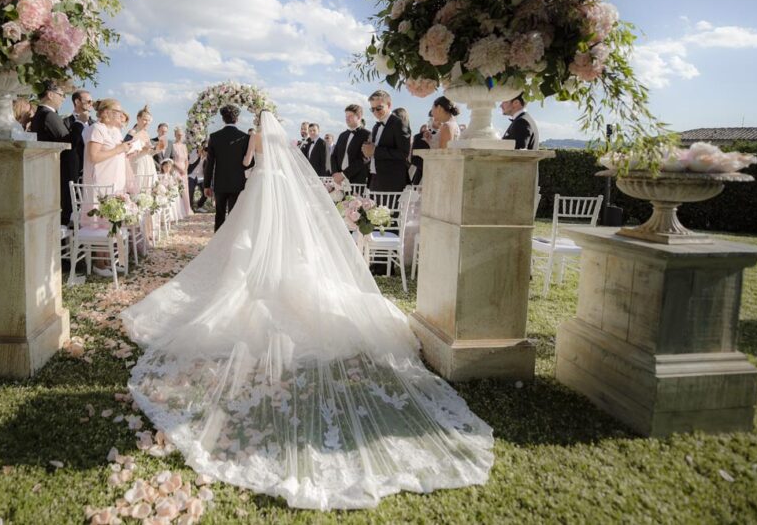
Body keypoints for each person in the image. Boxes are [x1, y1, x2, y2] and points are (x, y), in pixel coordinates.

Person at [121, 110, 493, 510]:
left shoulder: (255, 140)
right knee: (283, 244)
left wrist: (251, 161)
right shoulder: (284, 151)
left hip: (257, 189)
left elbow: (246, 164)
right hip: (277, 189)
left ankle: (258, 281)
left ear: (258, 124)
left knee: (247, 245)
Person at [84, 98, 142, 275]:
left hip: (115, 183)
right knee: (99, 222)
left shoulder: (115, 131)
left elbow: (117, 154)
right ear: (106, 113)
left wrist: (129, 151)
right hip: (100, 182)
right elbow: (94, 156)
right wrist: (119, 149)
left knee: (109, 222)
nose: (120, 114)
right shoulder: (97, 129)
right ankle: (99, 264)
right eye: (117, 111)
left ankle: (108, 260)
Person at [30, 80, 74, 226]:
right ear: (50, 95)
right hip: (57, 171)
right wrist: (78, 127)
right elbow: (66, 141)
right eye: (61, 95)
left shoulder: (40, 114)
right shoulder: (49, 115)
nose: (63, 99)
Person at [203, 104, 250, 231]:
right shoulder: (245, 137)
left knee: (219, 215)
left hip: (220, 182)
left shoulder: (214, 137)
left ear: (223, 119)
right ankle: (232, 240)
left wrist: (206, 185)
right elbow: (250, 163)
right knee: (235, 215)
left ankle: (218, 241)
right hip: (238, 182)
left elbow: (210, 163)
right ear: (237, 119)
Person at [361, 90, 410, 192]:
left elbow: (404, 153)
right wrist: (367, 152)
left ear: (389, 105)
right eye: (372, 109)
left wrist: (375, 151)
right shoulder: (376, 127)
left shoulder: (399, 123)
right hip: (374, 179)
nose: (375, 112)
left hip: (391, 181)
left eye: (379, 108)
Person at [331, 104, 371, 186]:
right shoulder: (342, 135)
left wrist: (343, 174)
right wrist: (335, 173)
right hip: (340, 182)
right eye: (346, 116)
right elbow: (334, 156)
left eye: (350, 116)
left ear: (359, 116)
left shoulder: (367, 135)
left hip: (357, 181)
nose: (347, 119)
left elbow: (364, 159)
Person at [64, 89, 94, 186]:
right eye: (89, 101)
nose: (91, 104)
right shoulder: (65, 122)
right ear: (77, 102)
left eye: (92, 102)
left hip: (92, 170)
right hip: (75, 172)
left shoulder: (94, 124)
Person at [126, 105, 157, 189]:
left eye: (149, 120)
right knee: (138, 188)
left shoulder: (146, 133)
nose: (147, 122)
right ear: (138, 118)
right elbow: (126, 151)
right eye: (145, 120)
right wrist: (142, 148)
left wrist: (156, 149)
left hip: (148, 163)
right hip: (137, 164)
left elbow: (149, 152)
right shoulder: (132, 132)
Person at [171, 127, 192, 218]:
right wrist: (179, 169)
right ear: (175, 135)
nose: (180, 136)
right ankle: (179, 211)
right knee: (178, 190)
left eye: (181, 135)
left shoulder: (184, 146)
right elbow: (172, 160)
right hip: (176, 170)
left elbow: (187, 160)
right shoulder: (172, 146)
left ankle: (186, 209)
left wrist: (185, 169)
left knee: (185, 190)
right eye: (178, 135)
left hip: (184, 171)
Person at [188, 146, 207, 211]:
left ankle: (199, 205)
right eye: (205, 151)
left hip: (201, 177)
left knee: (206, 192)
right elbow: (191, 162)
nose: (206, 153)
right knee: (190, 191)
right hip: (192, 176)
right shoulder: (195, 155)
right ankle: (191, 208)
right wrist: (198, 156)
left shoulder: (207, 159)